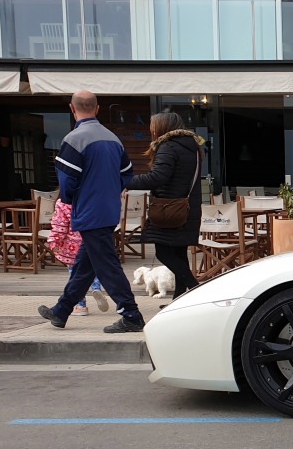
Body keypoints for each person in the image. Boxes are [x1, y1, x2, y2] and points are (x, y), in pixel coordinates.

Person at [38, 90, 144, 333]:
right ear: (97, 109)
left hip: (88, 211)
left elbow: (66, 184)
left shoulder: (73, 140)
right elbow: (127, 174)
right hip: (108, 211)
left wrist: (77, 198)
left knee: (106, 265)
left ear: (72, 109)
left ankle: (131, 315)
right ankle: (61, 310)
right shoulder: (114, 139)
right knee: (85, 265)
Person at [129, 112, 204, 302]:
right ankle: (179, 300)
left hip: (169, 210)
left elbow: (157, 177)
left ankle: (196, 290)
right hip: (186, 209)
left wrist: (124, 182)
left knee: (163, 252)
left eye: (152, 126)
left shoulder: (168, 147)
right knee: (179, 253)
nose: (150, 130)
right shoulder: (191, 147)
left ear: (162, 128)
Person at [47, 197, 109, 316]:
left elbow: (59, 225)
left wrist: (54, 241)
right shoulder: (91, 199)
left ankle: (81, 306)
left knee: (75, 276)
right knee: (92, 270)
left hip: (71, 247)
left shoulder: (63, 202)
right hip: (91, 242)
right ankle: (97, 289)